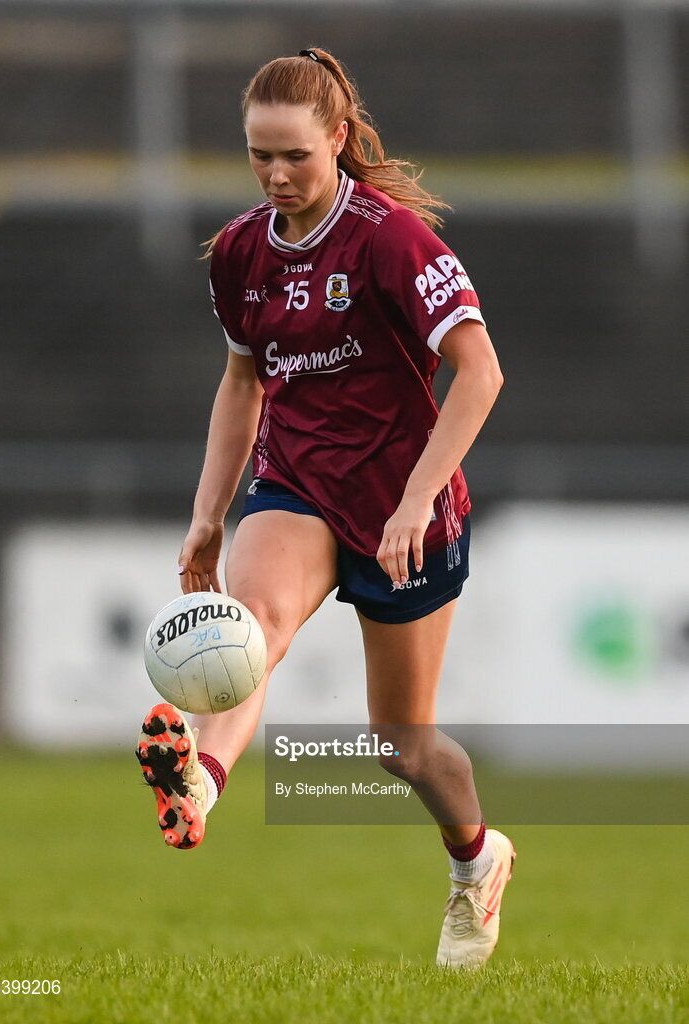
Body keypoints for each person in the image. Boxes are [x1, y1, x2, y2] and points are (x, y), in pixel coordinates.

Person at [136, 47, 515, 970]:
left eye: (295, 155)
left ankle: (477, 863)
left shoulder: (388, 238)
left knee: (402, 745)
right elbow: (242, 382)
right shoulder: (240, 252)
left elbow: (481, 371)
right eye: (258, 154)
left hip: (404, 505)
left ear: (338, 140)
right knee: (252, 623)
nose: (275, 175)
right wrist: (206, 514)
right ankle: (200, 779)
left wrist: (415, 501)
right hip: (297, 479)